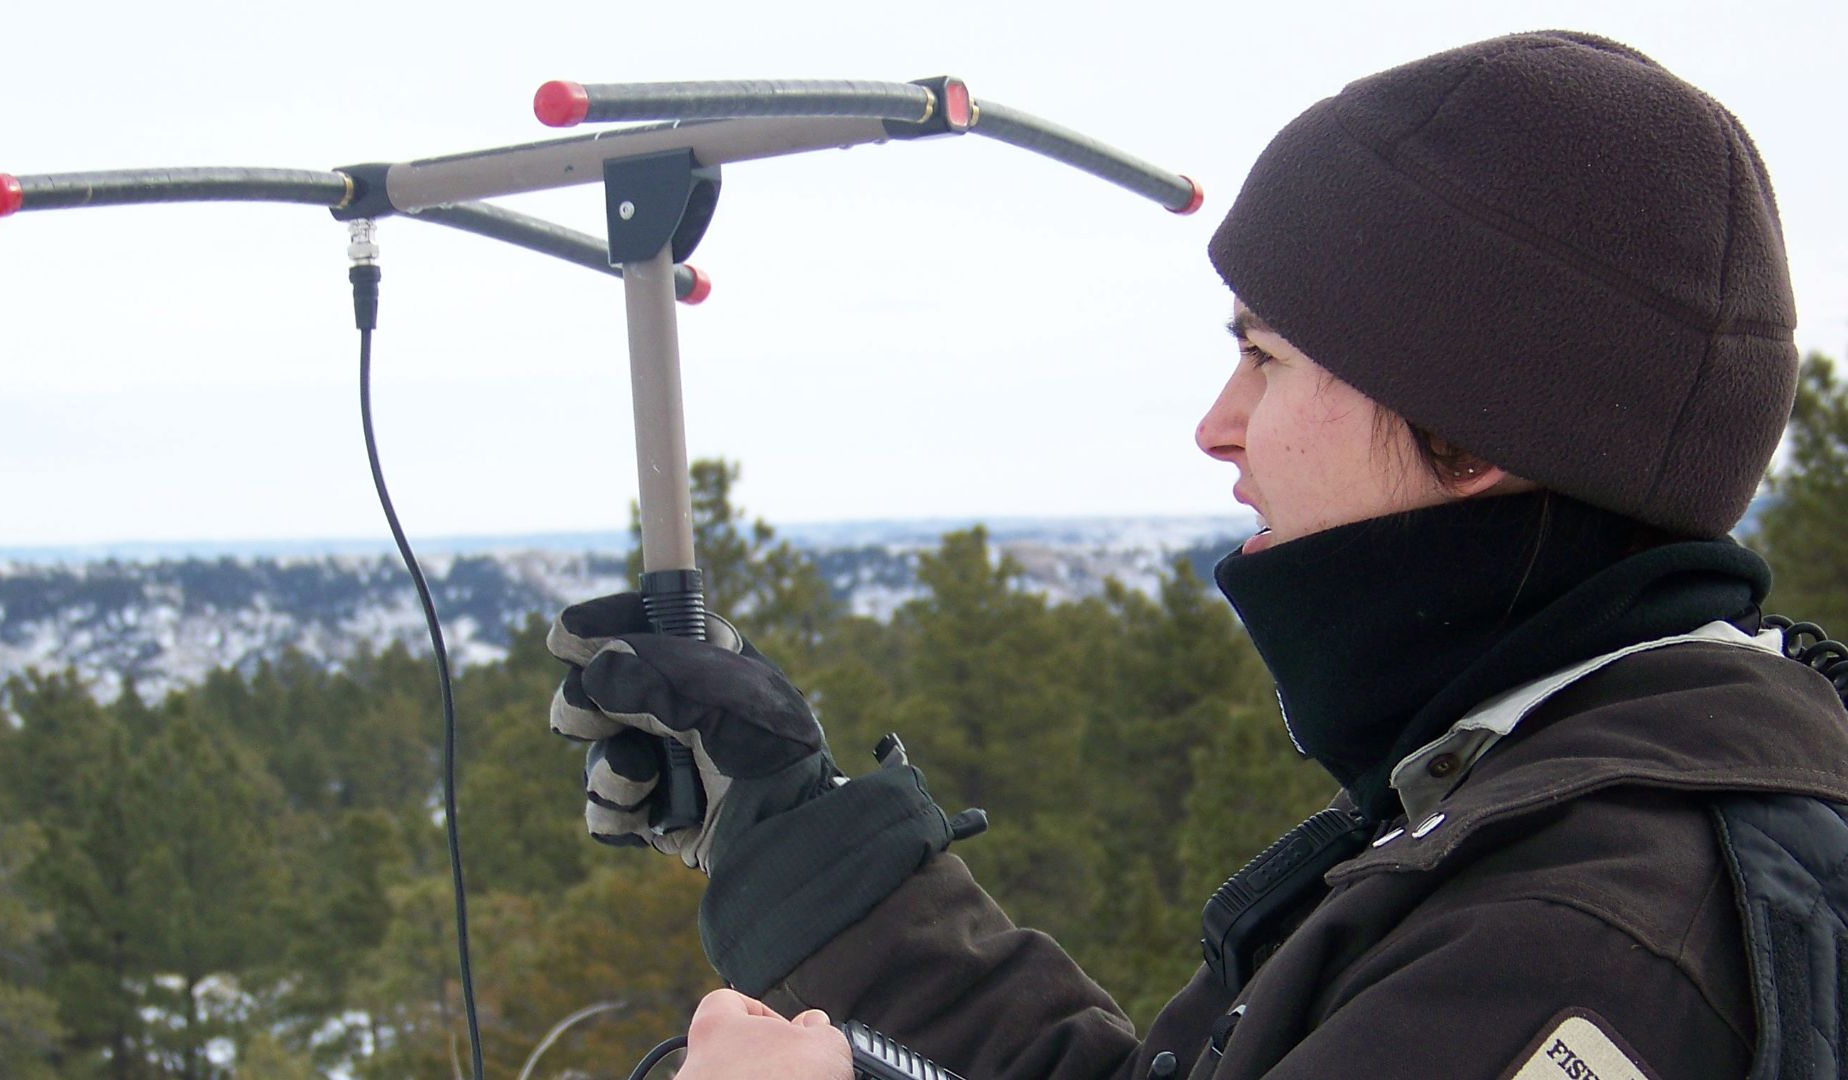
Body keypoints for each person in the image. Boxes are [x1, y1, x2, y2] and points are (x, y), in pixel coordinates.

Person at [548, 31, 1848, 1079]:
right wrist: (794, 832)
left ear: (1471, 426)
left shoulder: (1588, 949)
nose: (1216, 428)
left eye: (1265, 357)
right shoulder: (1545, 783)